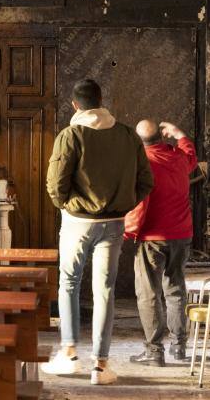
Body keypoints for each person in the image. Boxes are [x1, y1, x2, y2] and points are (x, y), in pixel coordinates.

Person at [42, 79, 154, 385]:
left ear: (75, 105)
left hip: (77, 221)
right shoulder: (128, 134)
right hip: (114, 223)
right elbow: (146, 181)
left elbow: (55, 184)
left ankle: (69, 354)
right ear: (102, 101)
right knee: (105, 291)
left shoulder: (71, 135)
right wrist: (125, 204)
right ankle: (101, 366)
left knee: (68, 283)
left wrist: (66, 204)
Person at [125, 120, 198, 366]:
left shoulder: (138, 163)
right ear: (161, 136)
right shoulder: (177, 158)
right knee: (175, 289)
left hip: (151, 239)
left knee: (149, 294)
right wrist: (179, 134)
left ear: (138, 141)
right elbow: (191, 155)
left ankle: (154, 352)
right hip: (181, 235)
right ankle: (179, 347)